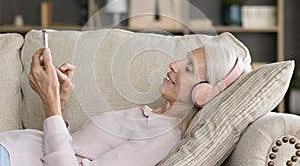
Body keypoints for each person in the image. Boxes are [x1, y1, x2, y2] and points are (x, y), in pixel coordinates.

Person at [0, 38, 245, 166]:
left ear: (203, 93)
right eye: (183, 59)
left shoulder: (161, 137)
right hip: (13, 149)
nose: (174, 65)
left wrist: (50, 105)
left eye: (188, 67)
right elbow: (76, 152)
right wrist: (60, 107)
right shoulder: (151, 117)